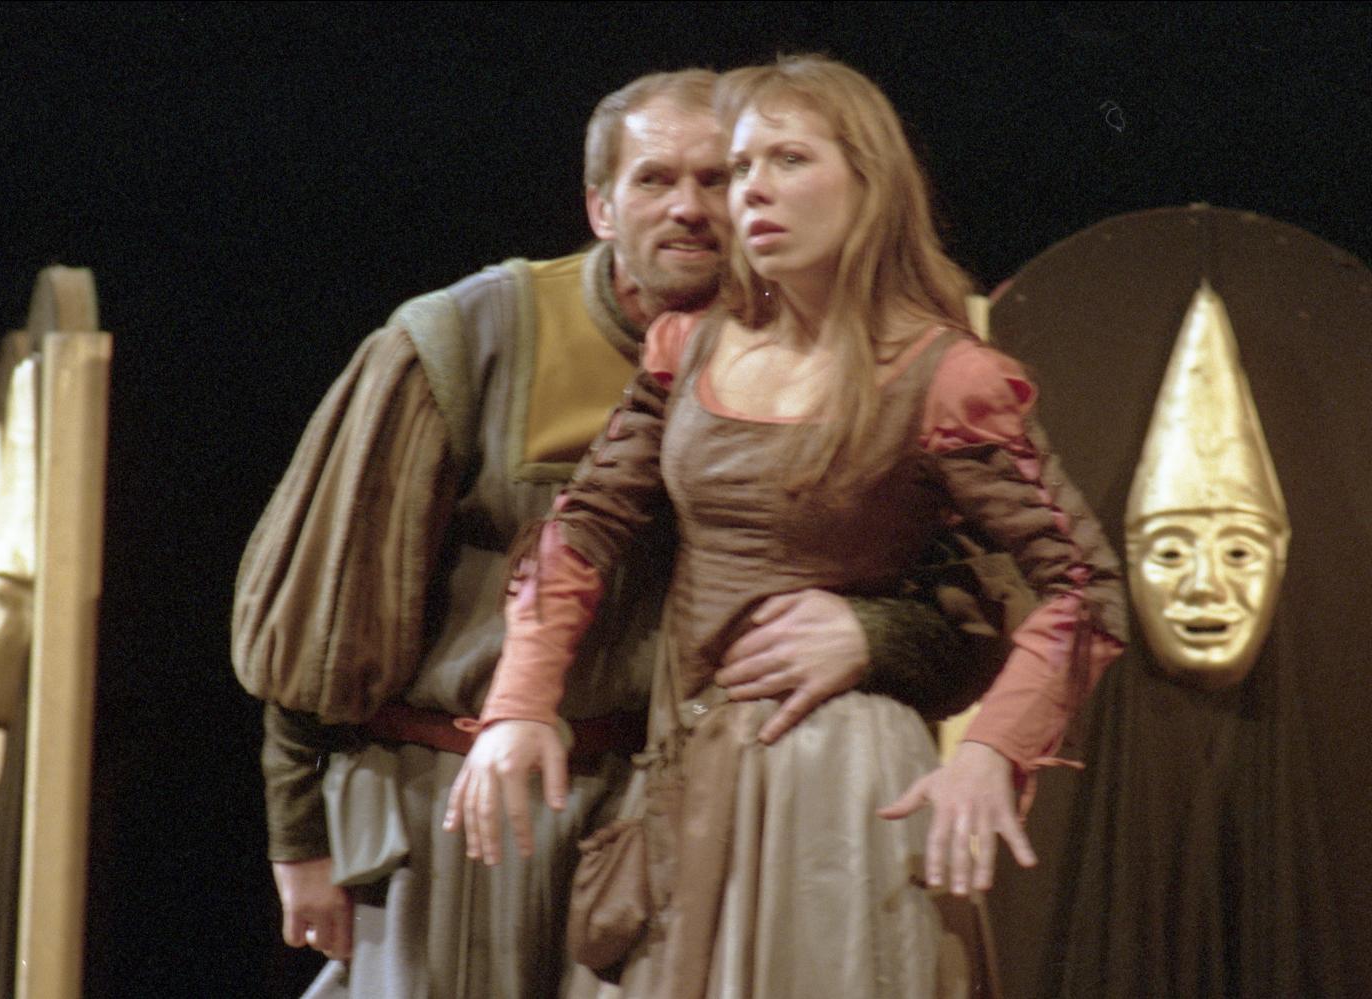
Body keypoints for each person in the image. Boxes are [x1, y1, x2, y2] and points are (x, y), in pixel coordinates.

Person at [232, 68, 992, 999]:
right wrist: (299, 836)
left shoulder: (844, 361)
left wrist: (872, 634)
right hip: (465, 801)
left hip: (681, 801)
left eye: (719, 177)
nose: (691, 208)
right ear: (600, 206)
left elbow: (974, 605)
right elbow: (321, 613)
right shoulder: (471, 340)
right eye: (654, 179)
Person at [452, 55, 1127, 997]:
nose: (750, 191)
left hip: (837, 774)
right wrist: (520, 701)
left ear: (869, 183)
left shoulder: (945, 378)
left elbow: (1084, 587)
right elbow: (586, 523)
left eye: (789, 160)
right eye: (739, 167)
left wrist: (989, 751)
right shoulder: (691, 341)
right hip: (694, 759)